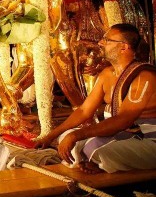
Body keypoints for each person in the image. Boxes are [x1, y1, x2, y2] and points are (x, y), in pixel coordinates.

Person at [34, 23, 156, 173]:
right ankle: (96, 163)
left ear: (124, 47)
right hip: (123, 136)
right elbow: (84, 110)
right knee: (69, 139)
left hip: (148, 140)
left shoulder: (145, 77)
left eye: (107, 40)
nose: (100, 43)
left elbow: (123, 120)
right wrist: (50, 136)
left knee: (98, 149)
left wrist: (77, 135)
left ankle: (97, 164)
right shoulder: (106, 74)